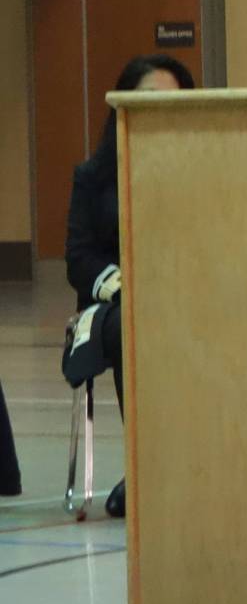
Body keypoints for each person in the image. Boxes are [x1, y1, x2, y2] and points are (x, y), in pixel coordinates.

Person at [65, 54, 195, 517]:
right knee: (130, 326)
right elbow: (79, 260)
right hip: (111, 310)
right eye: (148, 101)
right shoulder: (93, 177)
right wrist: (130, 288)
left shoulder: (200, 175)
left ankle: (199, 466)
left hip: (186, 302)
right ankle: (145, 470)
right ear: (121, 106)